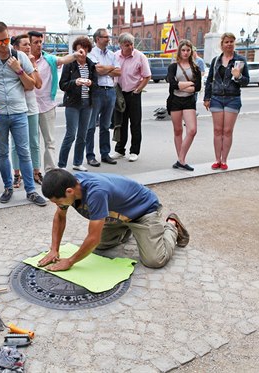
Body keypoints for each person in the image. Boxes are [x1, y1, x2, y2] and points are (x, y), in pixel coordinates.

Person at [38, 169, 189, 271]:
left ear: (69, 191)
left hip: (143, 211)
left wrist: (70, 261)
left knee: (155, 260)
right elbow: (60, 216)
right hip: (118, 215)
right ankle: (128, 229)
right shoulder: (68, 185)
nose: (57, 206)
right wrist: (54, 249)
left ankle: (171, 225)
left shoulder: (96, 192)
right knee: (101, 247)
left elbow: (93, 238)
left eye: (57, 202)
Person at [0, 22, 47, 206]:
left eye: (6, 40)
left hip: (20, 112)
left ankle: (31, 191)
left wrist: (18, 69)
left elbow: (31, 86)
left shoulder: (19, 56)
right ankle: (8, 187)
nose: (4, 44)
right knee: (2, 153)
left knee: (24, 152)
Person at [29, 30, 84, 174]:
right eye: (36, 42)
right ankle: (32, 171)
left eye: (41, 42)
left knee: (50, 141)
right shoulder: (24, 60)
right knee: (32, 143)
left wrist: (76, 54)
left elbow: (63, 59)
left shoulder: (49, 59)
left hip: (47, 105)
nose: (39, 45)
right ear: (29, 44)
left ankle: (51, 170)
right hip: (29, 107)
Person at [203, 33, 249, 170]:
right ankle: (217, 159)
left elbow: (246, 81)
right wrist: (207, 98)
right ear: (222, 44)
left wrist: (239, 76)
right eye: (226, 42)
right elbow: (210, 79)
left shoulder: (240, 60)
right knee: (217, 130)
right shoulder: (216, 60)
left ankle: (224, 160)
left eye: (231, 42)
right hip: (216, 98)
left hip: (232, 98)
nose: (229, 44)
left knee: (227, 130)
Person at [58, 36, 97, 171]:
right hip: (73, 103)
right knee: (70, 134)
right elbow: (62, 85)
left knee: (83, 134)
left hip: (87, 103)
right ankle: (62, 165)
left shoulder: (91, 65)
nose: (82, 50)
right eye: (79, 48)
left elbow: (96, 84)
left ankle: (77, 162)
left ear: (88, 49)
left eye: (85, 48)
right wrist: (75, 82)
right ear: (75, 49)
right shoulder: (69, 64)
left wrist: (91, 83)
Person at [111, 33, 151, 163]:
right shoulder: (115, 56)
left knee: (135, 123)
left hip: (133, 93)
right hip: (119, 93)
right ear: (121, 45)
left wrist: (138, 90)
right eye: (127, 45)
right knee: (120, 123)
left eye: (132, 44)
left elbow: (147, 76)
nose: (130, 47)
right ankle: (119, 150)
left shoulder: (140, 57)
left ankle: (134, 151)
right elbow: (110, 71)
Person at [85, 28, 121, 168]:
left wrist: (107, 69)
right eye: (105, 37)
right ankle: (90, 155)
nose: (108, 39)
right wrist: (111, 69)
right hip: (97, 91)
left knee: (106, 125)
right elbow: (97, 70)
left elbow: (119, 71)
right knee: (91, 125)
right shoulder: (92, 53)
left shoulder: (112, 54)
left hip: (110, 91)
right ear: (97, 39)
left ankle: (105, 154)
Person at [11, 35, 42, 189]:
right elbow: (24, 86)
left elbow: (38, 84)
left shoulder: (31, 62)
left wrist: (33, 63)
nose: (29, 47)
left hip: (31, 107)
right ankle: (17, 174)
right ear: (16, 48)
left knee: (34, 142)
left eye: (29, 44)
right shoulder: (12, 63)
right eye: (25, 45)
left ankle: (37, 172)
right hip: (16, 108)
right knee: (16, 145)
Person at [167, 40, 202, 171]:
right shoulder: (173, 67)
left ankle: (180, 159)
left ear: (191, 51)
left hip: (189, 101)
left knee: (192, 130)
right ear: (179, 51)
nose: (186, 53)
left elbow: (197, 87)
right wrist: (189, 84)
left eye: (188, 50)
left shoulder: (195, 68)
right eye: (183, 50)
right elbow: (173, 84)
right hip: (175, 100)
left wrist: (181, 86)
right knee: (177, 131)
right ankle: (181, 160)